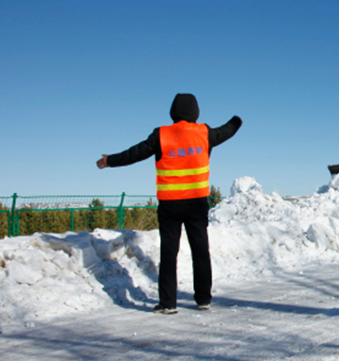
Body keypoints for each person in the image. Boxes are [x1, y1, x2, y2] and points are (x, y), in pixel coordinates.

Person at [97, 93, 242, 314]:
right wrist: (237, 119)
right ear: (196, 112)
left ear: (173, 112)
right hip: (196, 204)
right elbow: (228, 130)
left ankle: (168, 303)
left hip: (170, 205)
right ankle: (203, 299)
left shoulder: (161, 135)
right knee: (201, 252)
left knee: (168, 254)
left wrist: (110, 160)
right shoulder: (205, 133)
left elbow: (135, 153)